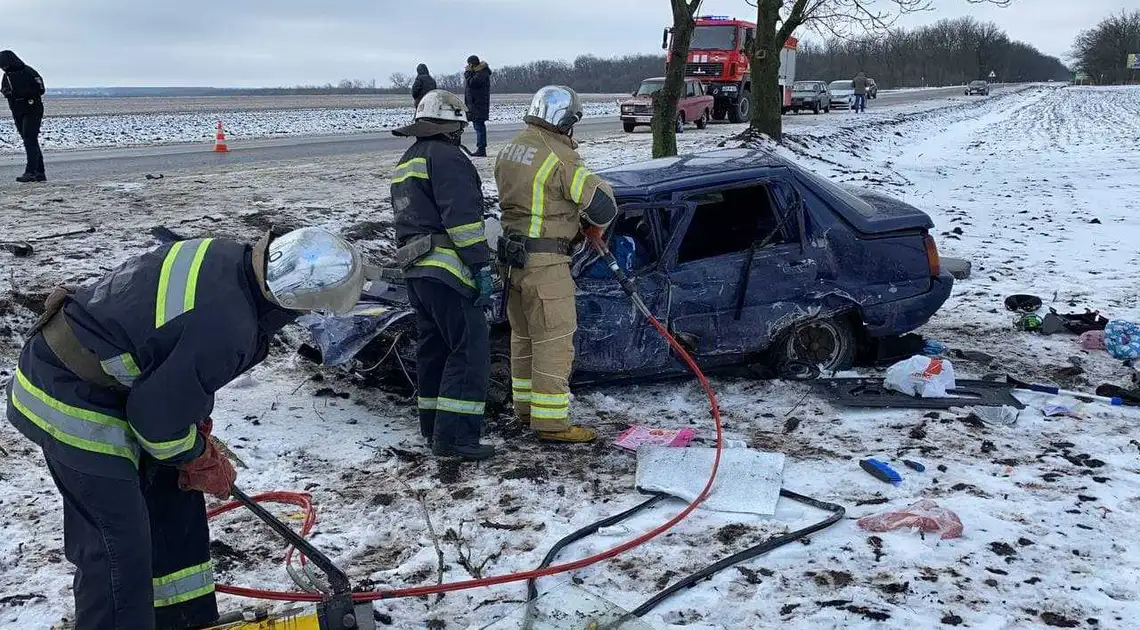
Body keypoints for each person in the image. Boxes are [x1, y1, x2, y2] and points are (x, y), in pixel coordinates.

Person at [5, 227, 366, 630]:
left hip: (108, 386)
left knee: (174, 500)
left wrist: (192, 429)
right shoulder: (229, 326)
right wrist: (197, 456)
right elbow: (157, 423)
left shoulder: (231, 259)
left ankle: (180, 619)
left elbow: (169, 348)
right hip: (68, 397)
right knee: (119, 548)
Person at [493, 85, 617, 444]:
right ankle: (551, 423)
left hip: (512, 260)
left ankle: (525, 409)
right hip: (546, 264)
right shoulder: (560, 157)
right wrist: (590, 226)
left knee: (524, 337)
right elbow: (604, 206)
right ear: (566, 120)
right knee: (555, 340)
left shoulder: (512, 147)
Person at [391, 89, 496, 460]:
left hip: (416, 272)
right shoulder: (449, 158)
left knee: (434, 350)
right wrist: (481, 266)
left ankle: (433, 429)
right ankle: (455, 441)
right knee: (469, 352)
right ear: (453, 126)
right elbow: (463, 220)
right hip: (447, 270)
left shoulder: (409, 157)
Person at [0, 50, 46, 182]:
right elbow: (5, 90)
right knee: (30, 140)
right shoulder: (7, 76)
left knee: (29, 139)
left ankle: (31, 171)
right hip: (17, 110)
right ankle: (39, 172)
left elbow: (40, 89)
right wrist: (8, 93)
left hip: (32, 109)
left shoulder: (28, 72)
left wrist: (23, 94)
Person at [464, 55, 492, 157]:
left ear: (472, 64)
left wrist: (467, 73)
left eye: (469, 64)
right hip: (477, 105)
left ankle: (481, 149)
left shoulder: (481, 73)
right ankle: (481, 148)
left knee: (479, 127)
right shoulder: (479, 73)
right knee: (479, 127)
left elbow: (472, 83)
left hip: (478, 105)